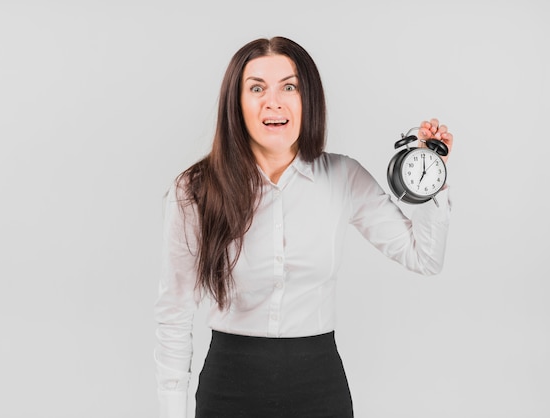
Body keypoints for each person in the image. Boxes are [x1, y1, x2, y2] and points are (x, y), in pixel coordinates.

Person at [154, 36, 454, 418]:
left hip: (319, 389)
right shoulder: (195, 188)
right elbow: (174, 314)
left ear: (307, 100)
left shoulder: (343, 177)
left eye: (289, 87)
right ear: (236, 103)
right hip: (228, 390)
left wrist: (429, 180)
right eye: (257, 88)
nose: (273, 102)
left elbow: (424, 257)